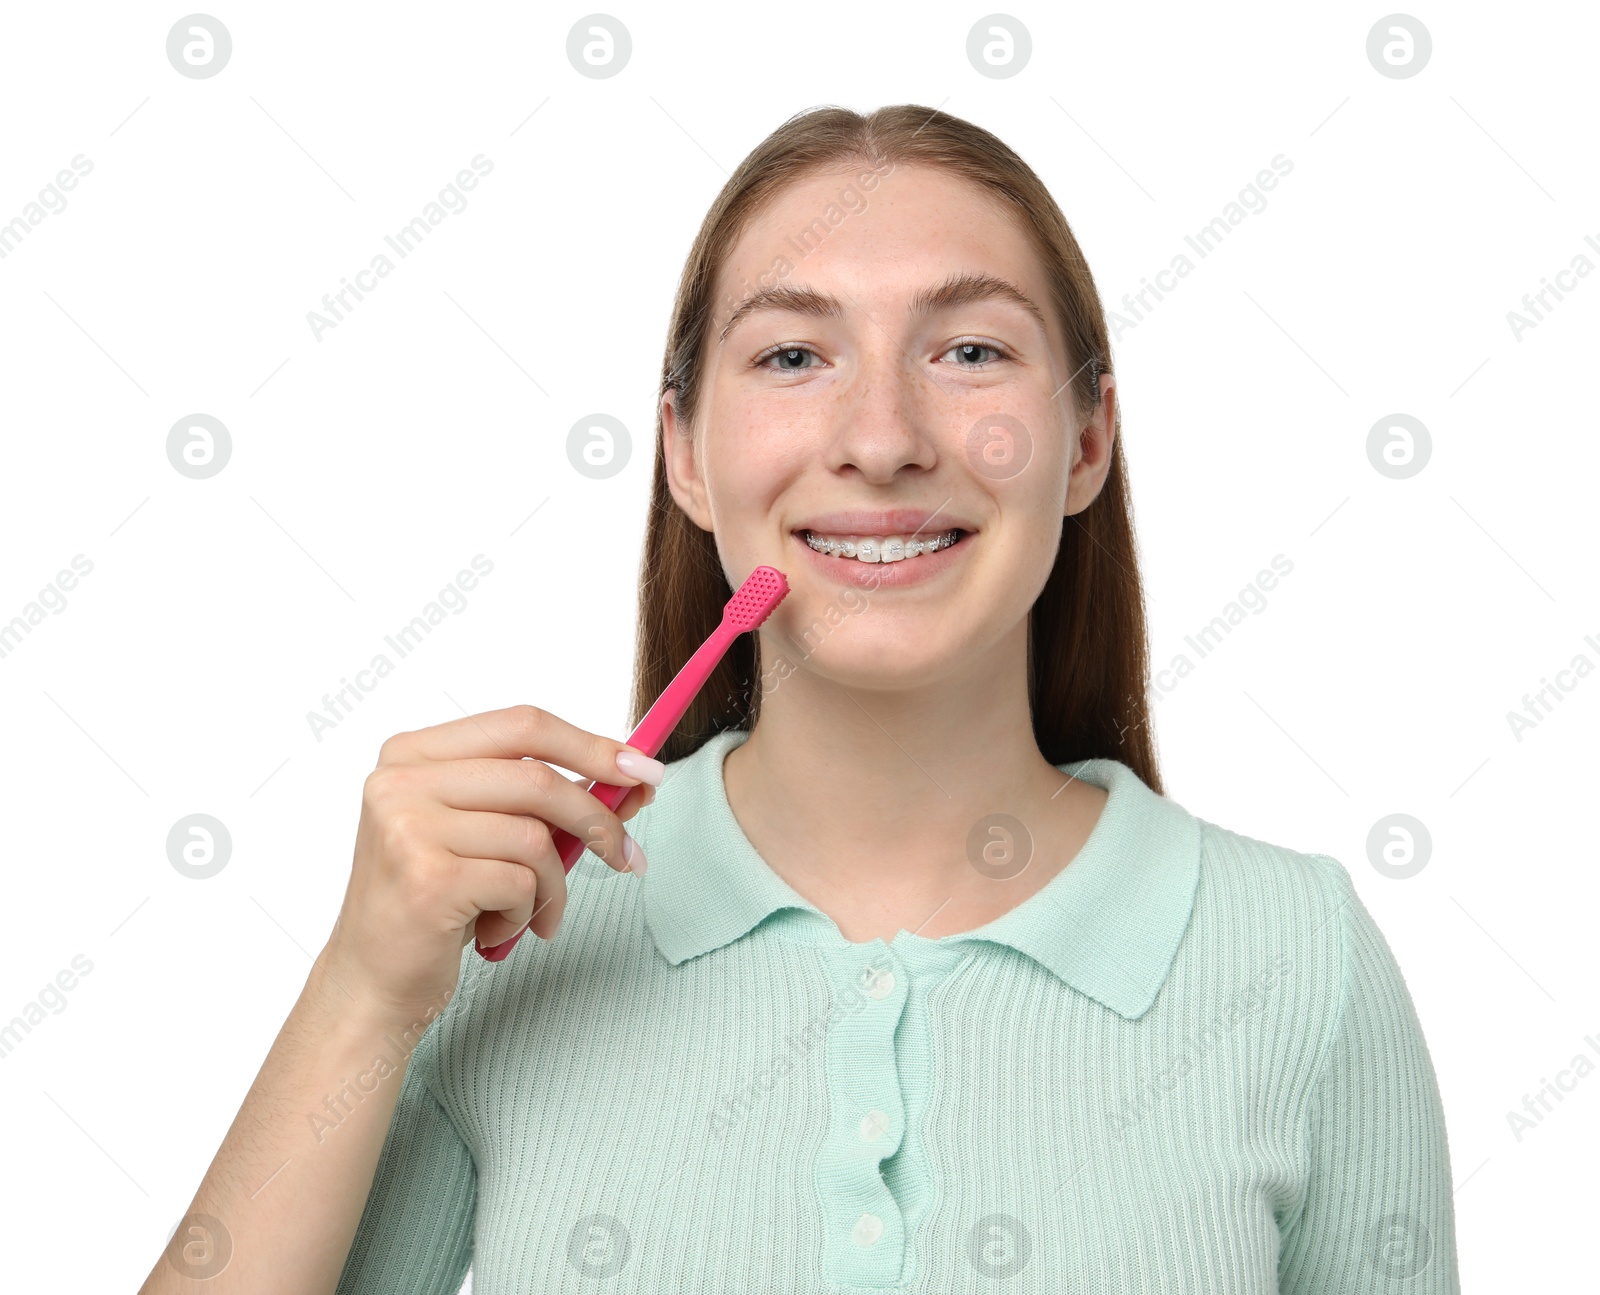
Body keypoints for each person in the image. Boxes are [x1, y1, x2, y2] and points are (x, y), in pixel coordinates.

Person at [141, 103, 1460, 1294]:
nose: (881, 437)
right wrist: (364, 989)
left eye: (970, 350)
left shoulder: (1300, 961)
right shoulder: (505, 938)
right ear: (685, 457)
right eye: (790, 358)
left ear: (1089, 441)